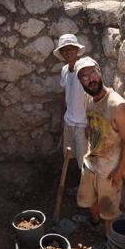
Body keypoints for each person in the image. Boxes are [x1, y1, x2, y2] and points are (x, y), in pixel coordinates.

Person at [74, 56, 125, 249]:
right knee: (89, 201)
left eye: (92, 73)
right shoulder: (88, 98)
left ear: (100, 72)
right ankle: (94, 225)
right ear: (80, 82)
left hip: (110, 169)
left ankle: (108, 245)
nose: (90, 78)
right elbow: (92, 123)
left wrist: (119, 172)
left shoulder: (118, 105)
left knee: (109, 211)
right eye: (84, 76)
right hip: (92, 162)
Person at [53, 34, 88, 176]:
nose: (68, 52)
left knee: (84, 161)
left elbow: (93, 97)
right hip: (69, 121)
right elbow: (64, 95)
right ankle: (75, 184)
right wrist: (62, 118)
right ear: (61, 53)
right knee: (69, 156)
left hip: (82, 124)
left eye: (71, 49)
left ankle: (86, 192)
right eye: (64, 50)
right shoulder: (65, 70)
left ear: (77, 50)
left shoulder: (84, 70)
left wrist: (90, 123)